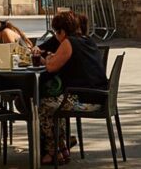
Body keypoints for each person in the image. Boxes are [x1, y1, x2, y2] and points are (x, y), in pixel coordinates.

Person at [38, 11, 108, 165]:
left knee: (44, 104)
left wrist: (45, 59)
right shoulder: (87, 40)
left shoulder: (68, 42)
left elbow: (51, 67)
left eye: (56, 32)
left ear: (62, 31)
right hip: (99, 95)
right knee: (55, 102)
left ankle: (53, 151)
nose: (56, 36)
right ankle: (62, 147)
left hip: (84, 99)